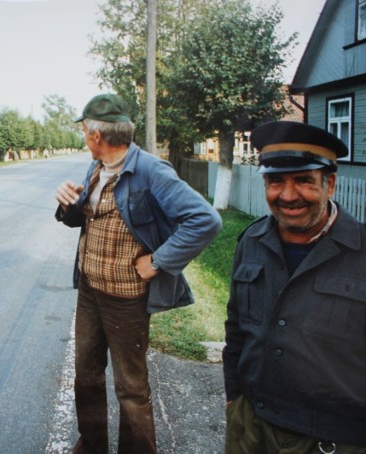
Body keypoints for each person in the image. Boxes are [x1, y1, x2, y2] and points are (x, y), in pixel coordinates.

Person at [55, 93, 222, 453]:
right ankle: (92, 444)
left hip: (126, 300)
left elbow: (205, 220)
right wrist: (67, 203)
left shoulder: (151, 170)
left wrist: (159, 261)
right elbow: (82, 220)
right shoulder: (97, 167)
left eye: (85, 130)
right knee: (86, 376)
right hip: (89, 289)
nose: (84, 136)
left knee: (130, 388)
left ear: (96, 135)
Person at [223, 121, 366, 453]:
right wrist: (234, 400)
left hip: (332, 441)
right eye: (275, 182)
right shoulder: (252, 241)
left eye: (303, 180)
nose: (287, 196)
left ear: (329, 183)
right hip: (250, 428)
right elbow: (236, 331)